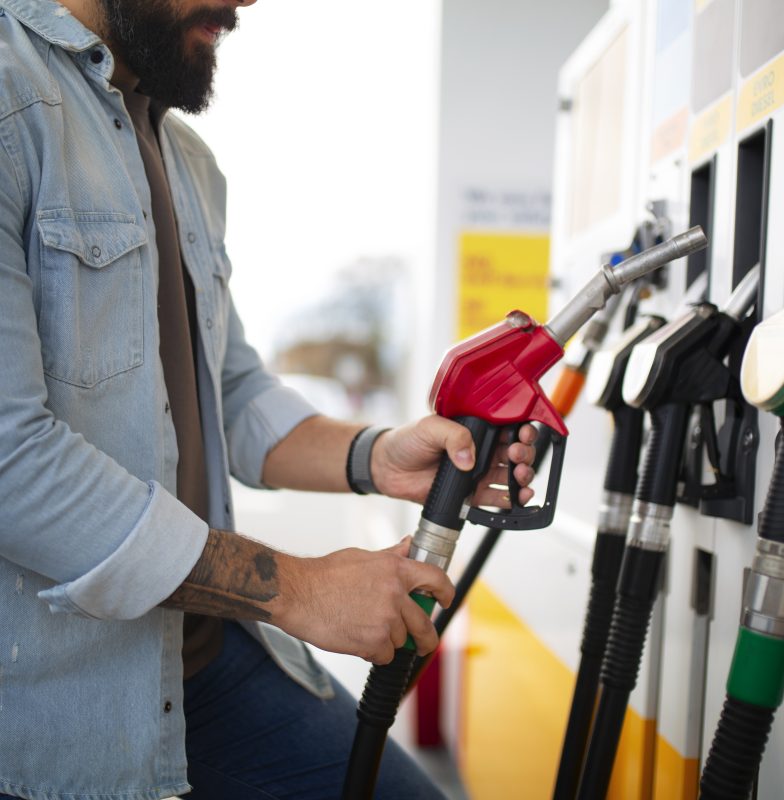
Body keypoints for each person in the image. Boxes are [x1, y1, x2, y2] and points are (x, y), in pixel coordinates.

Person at [0, 1, 537, 798]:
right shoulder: (14, 105)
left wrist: (376, 457)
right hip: (57, 707)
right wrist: (298, 589)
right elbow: (12, 463)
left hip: (207, 656)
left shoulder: (188, 159)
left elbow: (231, 390)